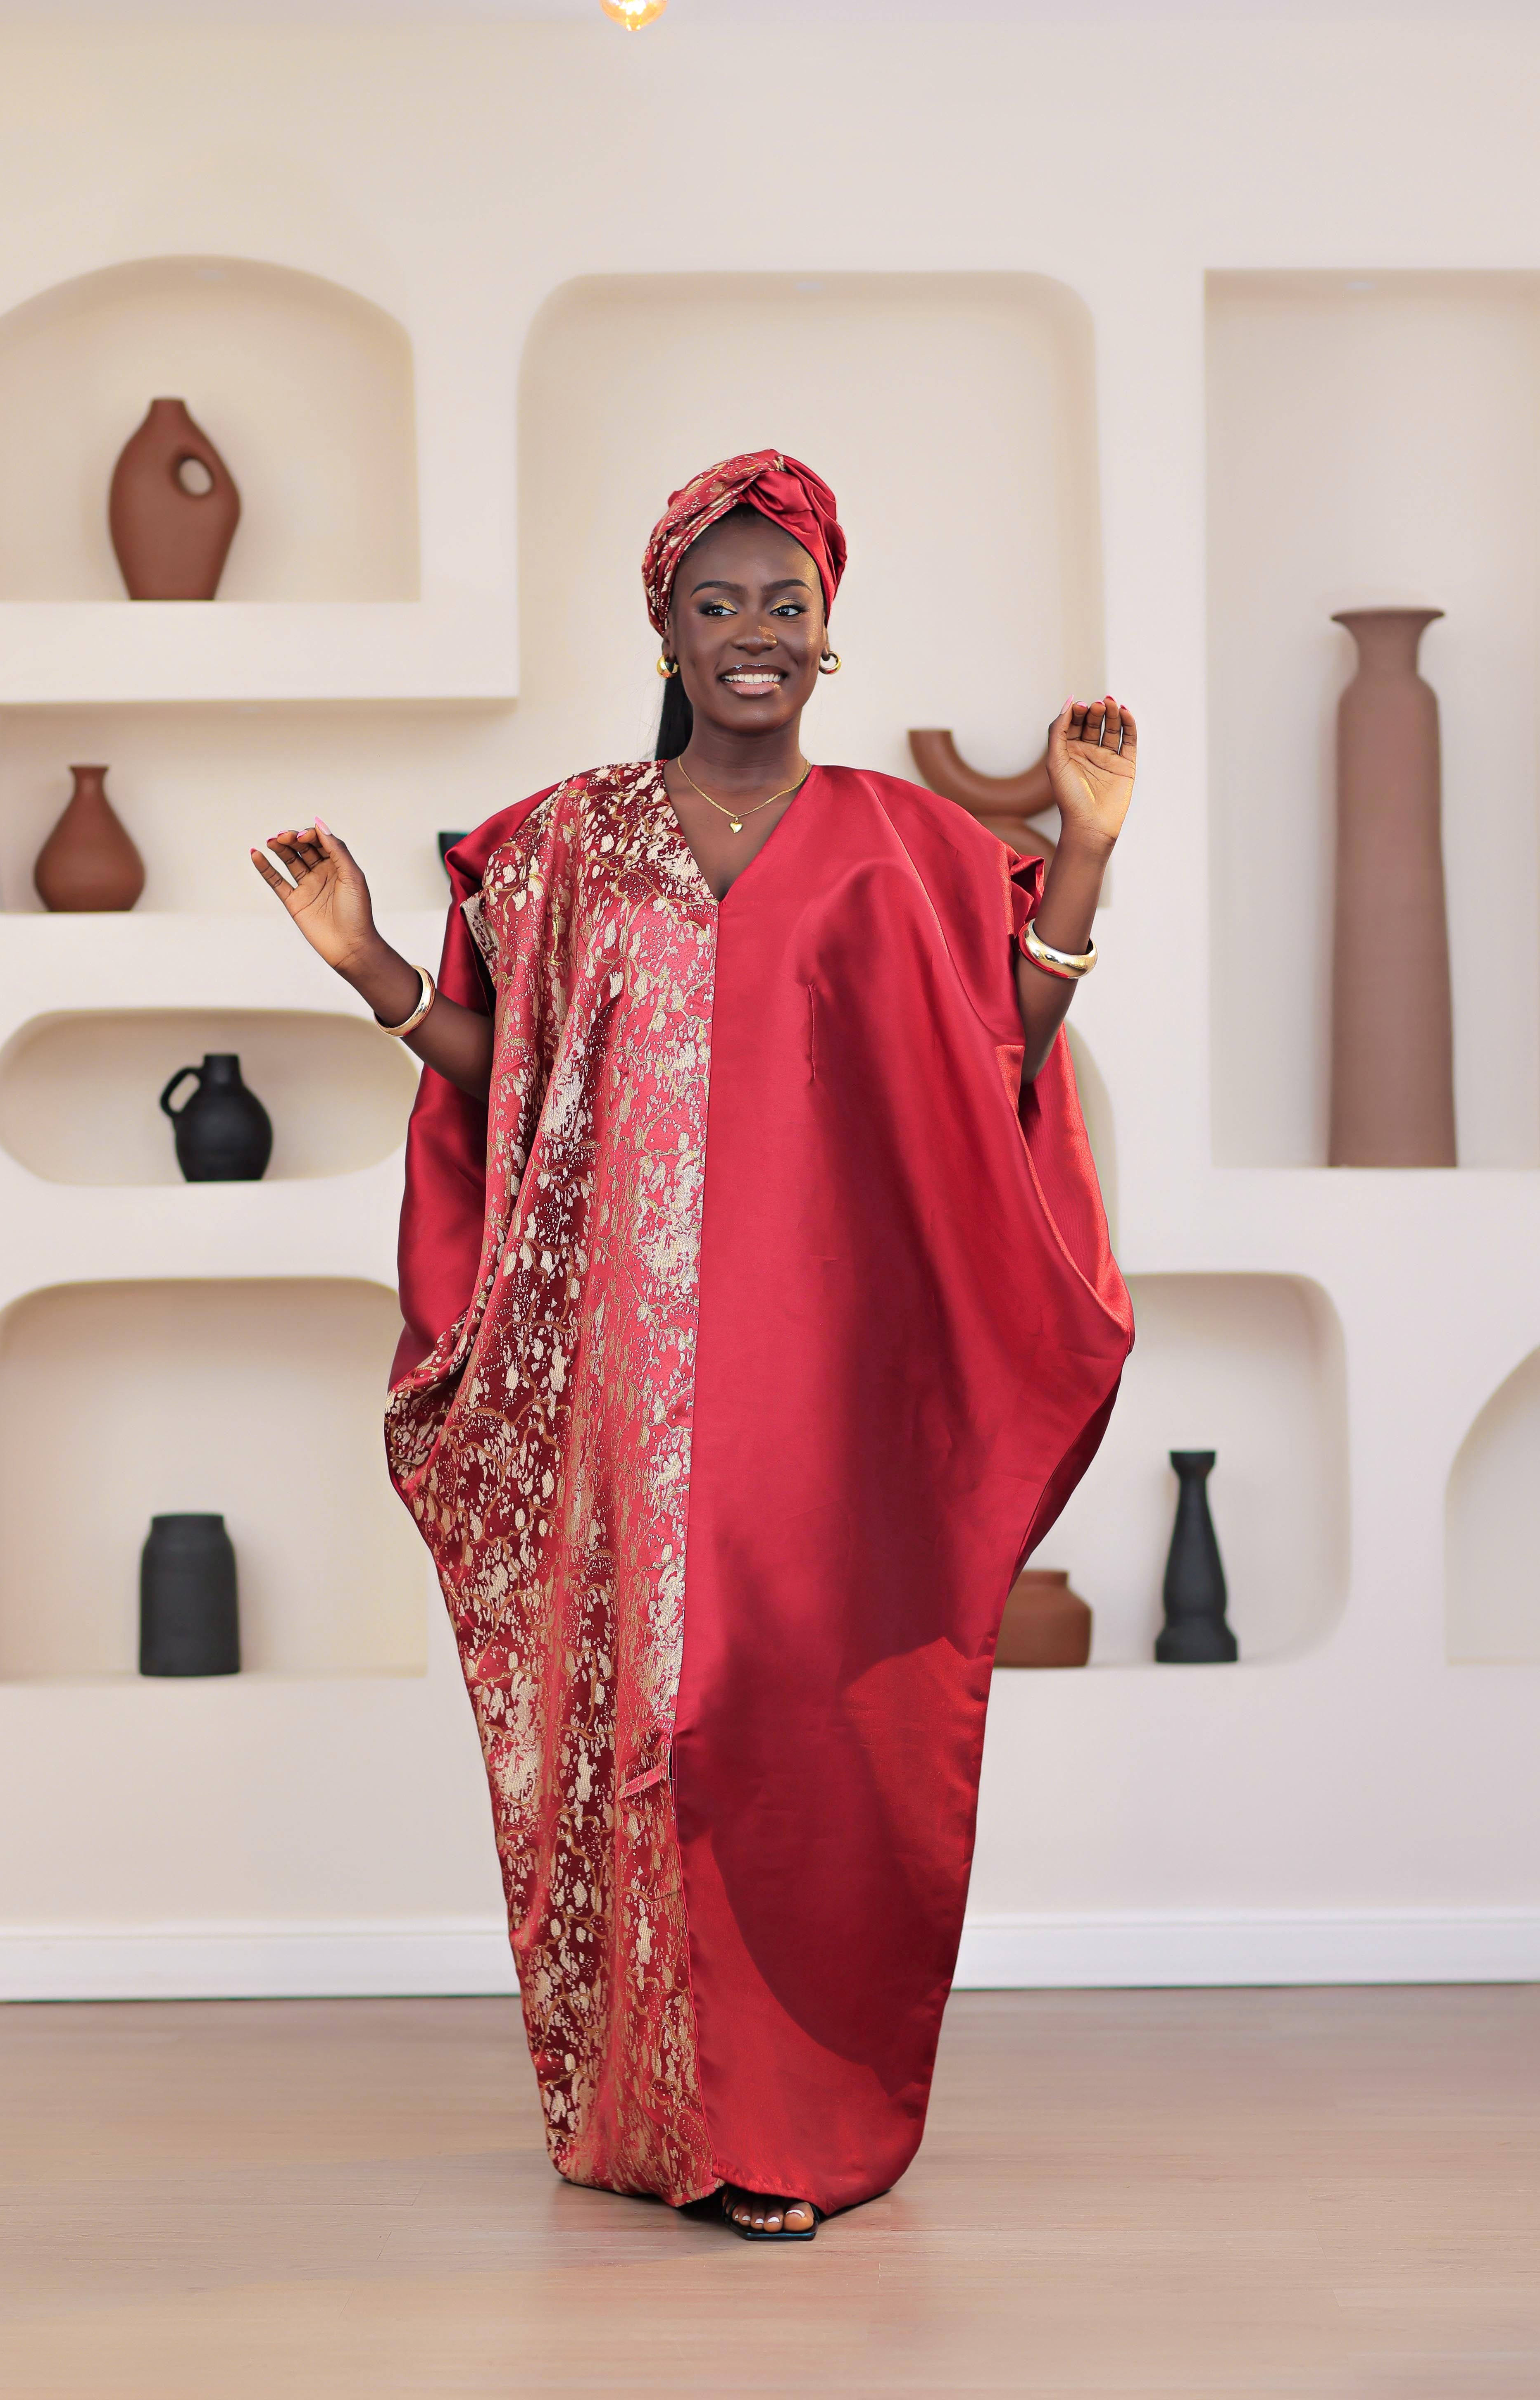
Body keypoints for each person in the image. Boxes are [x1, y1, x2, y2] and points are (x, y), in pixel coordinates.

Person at [252, 450, 1135, 2241]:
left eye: (783, 606)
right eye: (715, 602)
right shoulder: (567, 844)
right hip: (620, 1371)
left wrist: (1087, 850)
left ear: (828, 638)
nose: (750, 634)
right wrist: (364, 966)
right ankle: (656, 2109)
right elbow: (518, 1080)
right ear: (659, 622)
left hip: (824, 1379)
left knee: (791, 1723)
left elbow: (1003, 1046)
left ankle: (791, 2127)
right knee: (644, 1711)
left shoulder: (903, 843)